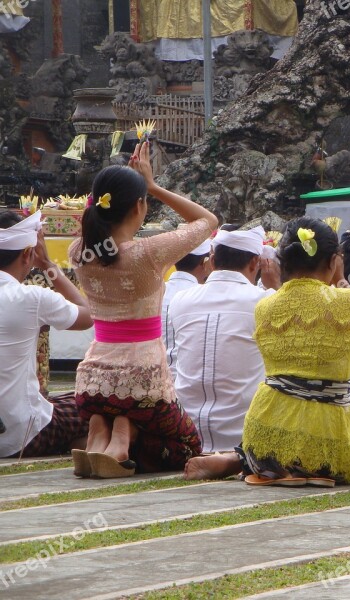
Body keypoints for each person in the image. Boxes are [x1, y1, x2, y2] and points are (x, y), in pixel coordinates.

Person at [184, 217, 350, 484]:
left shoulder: (265, 306)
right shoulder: (347, 301)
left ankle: (247, 461)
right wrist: (340, 284)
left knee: (282, 435)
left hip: (261, 443)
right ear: (332, 261)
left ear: (282, 262)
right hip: (329, 448)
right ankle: (303, 467)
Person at [69, 142, 218, 478]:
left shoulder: (78, 252)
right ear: (139, 206)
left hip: (91, 383)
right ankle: (123, 435)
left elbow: (94, 224)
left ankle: (101, 431)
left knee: (120, 406)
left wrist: (133, 189)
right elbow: (207, 220)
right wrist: (152, 185)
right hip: (142, 380)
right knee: (185, 445)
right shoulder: (148, 252)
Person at [167, 227, 280, 453]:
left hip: (186, 434)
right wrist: (275, 287)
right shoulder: (266, 301)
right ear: (255, 262)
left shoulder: (180, 300)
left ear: (212, 260)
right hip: (243, 435)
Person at [0, 211, 93, 459]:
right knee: (94, 401)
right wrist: (49, 266)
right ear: (28, 254)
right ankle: (88, 446)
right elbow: (88, 315)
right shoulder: (32, 298)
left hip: (15, 426)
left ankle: (82, 444)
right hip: (21, 434)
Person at [162, 237, 211, 378]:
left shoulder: (156, 292)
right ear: (204, 262)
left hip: (155, 378)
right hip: (189, 381)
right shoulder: (204, 296)